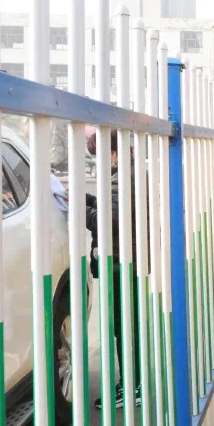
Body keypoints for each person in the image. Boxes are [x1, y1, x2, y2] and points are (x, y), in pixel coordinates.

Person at [84, 130, 140, 409]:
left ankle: (131, 386)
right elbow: (113, 206)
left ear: (114, 153)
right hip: (127, 260)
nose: (97, 161)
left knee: (123, 326)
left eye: (99, 155)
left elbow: (110, 220)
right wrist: (88, 200)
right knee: (128, 325)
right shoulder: (128, 173)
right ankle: (133, 383)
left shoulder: (124, 176)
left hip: (120, 262)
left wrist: (81, 211)